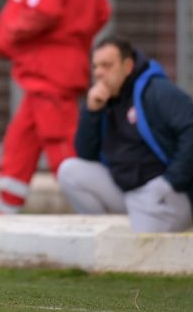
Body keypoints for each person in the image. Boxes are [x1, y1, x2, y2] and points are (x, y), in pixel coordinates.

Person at [0, 0, 111, 216]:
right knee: (22, 137)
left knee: (60, 140)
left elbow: (43, 10)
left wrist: (11, 32)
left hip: (47, 66)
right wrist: (73, 36)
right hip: (65, 64)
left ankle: (94, 211)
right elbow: (101, 11)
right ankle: (5, 208)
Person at [58, 37, 193, 233]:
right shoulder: (104, 99)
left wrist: (171, 181)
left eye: (107, 65)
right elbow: (86, 155)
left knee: (141, 246)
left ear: (127, 66)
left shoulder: (157, 90)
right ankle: (104, 235)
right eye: (95, 66)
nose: (99, 73)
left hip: (166, 193)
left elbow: (190, 130)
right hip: (127, 191)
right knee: (70, 171)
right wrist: (92, 112)